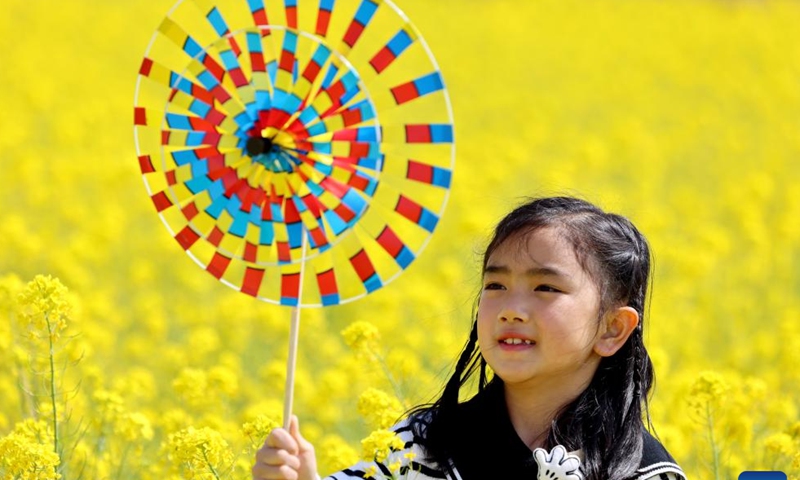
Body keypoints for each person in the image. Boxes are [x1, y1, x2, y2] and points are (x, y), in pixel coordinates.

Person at [252, 196, 687, 480]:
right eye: (495, 286)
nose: (511, 308)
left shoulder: (643, 472)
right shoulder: (421, 446)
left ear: (612, 329)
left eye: (545, 289)